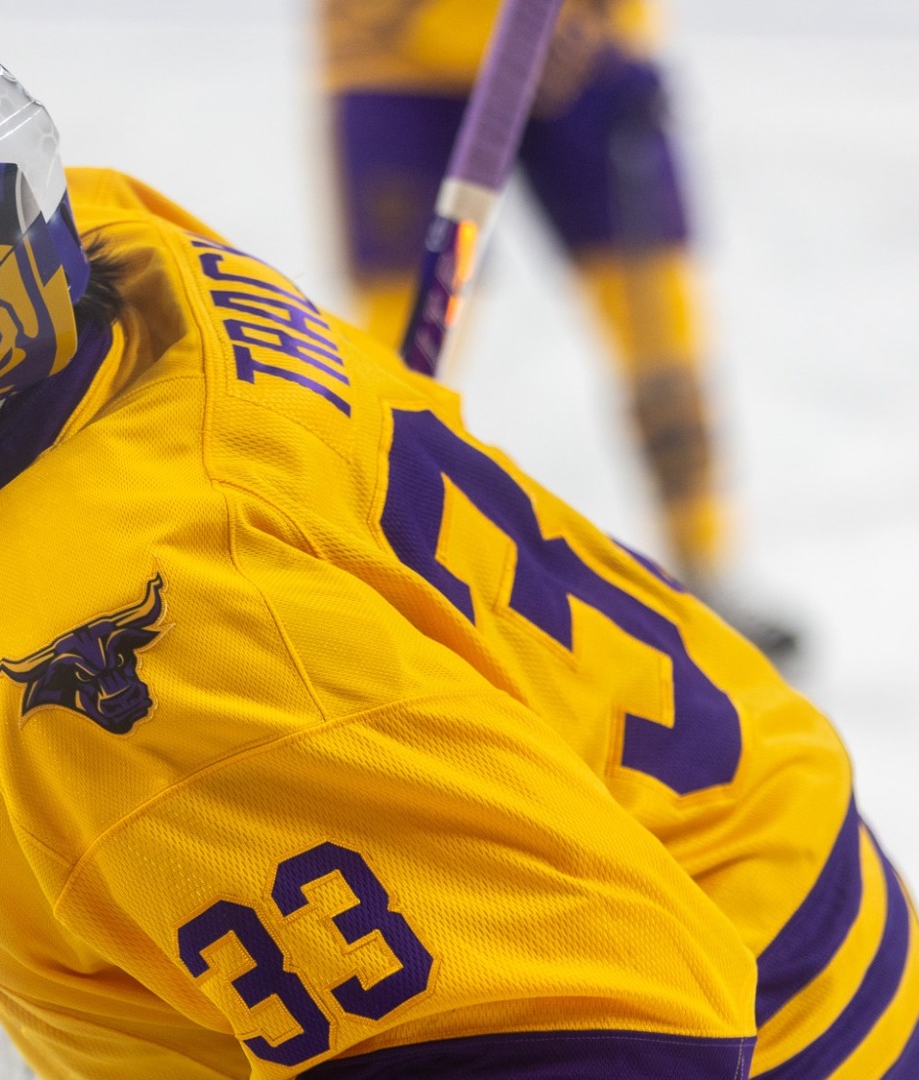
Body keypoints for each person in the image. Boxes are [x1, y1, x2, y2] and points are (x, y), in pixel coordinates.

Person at [0, 1, 919, 1077]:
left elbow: (614, 1036)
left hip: (776, 1008)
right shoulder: (114, 249)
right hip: (727, 830)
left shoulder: (111, 660)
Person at [319, 0, 799, 660]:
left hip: (580, 47)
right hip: (403, 52)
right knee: (404, 335)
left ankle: (705, 562)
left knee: (657, 316)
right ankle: (357, 557)